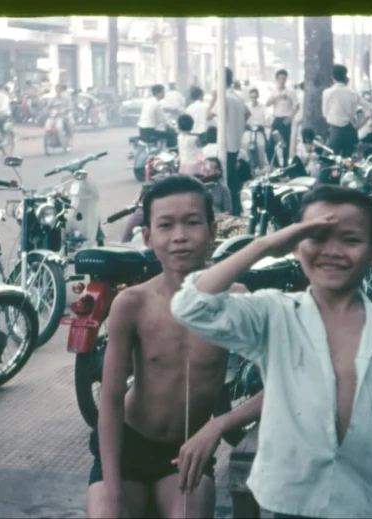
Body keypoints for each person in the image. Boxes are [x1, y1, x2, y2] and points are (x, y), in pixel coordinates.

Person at [171, 185, 372, 519]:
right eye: (317, 236)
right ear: (296, 247)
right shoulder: (275, 313)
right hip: (288, 506)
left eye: (350, 239)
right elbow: (190, 307)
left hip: (369, 506)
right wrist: (266, 244)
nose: (333, 251)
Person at [86, 175, 264, 519]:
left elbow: (280, 385)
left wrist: (219, 424)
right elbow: (109, 401)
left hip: (188, 452)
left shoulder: (236, 301)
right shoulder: (131, 304)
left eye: (193, 223)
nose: (180, 236)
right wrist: (111, 489)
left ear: (212, 231)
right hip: (129, 448)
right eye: (166, 225)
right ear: (149, 236)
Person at [208, 67, 250, 217]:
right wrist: (237, 128)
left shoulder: (223, 97)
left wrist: (213, 98)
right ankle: (236, 208)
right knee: (233, 177)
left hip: (226, 143)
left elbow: (207, 116)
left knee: (226, 178)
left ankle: (231, 209)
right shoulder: (237, 96)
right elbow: (248, 113)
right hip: (235, 142)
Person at [322, 65, 372, 159]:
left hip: (336, 131)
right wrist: (362, 122)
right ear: (345, 76)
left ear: (332, 76)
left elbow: (325, 113)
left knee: (327, 160)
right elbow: (371, 109)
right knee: (348, 162)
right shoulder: (353, 93)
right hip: (350, 131)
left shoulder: (328, 92)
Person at [266, 69, 299, 167]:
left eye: (284, 78)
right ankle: (276, 165)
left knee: (285, 146)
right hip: (276, 119)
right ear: (276, 79)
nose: (282, 80)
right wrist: (276, 96)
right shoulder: (274, 91)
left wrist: (289, 118)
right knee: (270, 146)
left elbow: (297, 106)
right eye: (280, 78)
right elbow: (267, 104)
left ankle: (285, 167)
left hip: (285, 119)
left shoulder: (290, 92)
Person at [138, 84, 176, 148]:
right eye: (163, 92)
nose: (164, 94)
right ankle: (169, 153)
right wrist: (170, 127)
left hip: (142, 130)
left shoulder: (148, 101)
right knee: (172, 135)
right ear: (158, 93)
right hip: (150, 131)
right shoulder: (156, 104)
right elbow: (162, 120)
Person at [243, 87, 270, 170]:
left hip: (259, 130)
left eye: (255, 97)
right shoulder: (246, 106)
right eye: (252, 97)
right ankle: (246, 163)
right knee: (244, 144)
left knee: (261, 144)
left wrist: (267, 122)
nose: (253, 99)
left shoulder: (262, 106)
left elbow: (267, 116)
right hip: (248, 130)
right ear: (249, 97)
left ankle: (261, 164)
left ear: (258, 96)